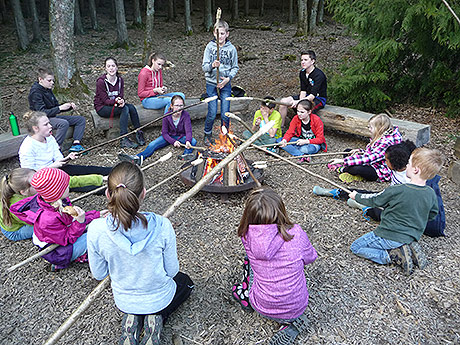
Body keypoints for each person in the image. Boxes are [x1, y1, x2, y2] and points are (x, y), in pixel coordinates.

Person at [87, 162, 194, 345]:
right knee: (185, 282)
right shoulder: (162, 225)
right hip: (158, 298)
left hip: (124, 300)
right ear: (143, 193)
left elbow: (99, 274)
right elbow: (172, 271)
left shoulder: (96, 229)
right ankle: (155, 317)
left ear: (107, 194)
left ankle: (133, 318)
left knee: (145, 298)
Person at [232, 188, 317, 345]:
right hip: (296, 308)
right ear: (281, 211)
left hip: (262, 306)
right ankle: (291, 323)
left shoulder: (246, 236)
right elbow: (311, 257)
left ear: (248, 216)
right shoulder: (296, 233)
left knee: (249, 262)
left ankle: (245, 296)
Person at [348, 148, 444, 275]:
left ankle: (392, 256)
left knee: (356, 247)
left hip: (388, 235)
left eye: (409, 163)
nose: (406, 166)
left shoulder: (398, 190)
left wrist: (357, 196)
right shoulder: (431, 194)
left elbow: (375, 200)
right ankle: (406, 246)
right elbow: (432, 214)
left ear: (416, 169)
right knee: (395, 241)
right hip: (411, 235)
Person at [10, 168, 105, 271]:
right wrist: (80, 222)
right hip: (60, 252)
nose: (69, 186)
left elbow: (71, 220)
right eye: (66, 186)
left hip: (63, 241)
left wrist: (97, 214)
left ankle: (80, 253)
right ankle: (71, 259)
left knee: (94, 227)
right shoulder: (47, 219)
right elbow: (67, 239)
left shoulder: (57, 201)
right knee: (97, 235)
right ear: (57, 192)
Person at [18, 111, 111, 192]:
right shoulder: (27, 147)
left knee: (87, 169)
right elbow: (30, 176)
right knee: (80, 184)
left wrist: (67, 158)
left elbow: (57, 156)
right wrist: (53, 166)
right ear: (35, 128)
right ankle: (109, 189)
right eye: (46, 124)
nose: (50, 126)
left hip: (57, 170)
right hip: (45, 179)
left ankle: (115, 170)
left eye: (49, 123)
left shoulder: (49, 138)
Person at [118, 95, 197, 166]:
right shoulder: (167, 116)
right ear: (172, 106)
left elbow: (188, 131)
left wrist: (187, 141)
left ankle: (185, 155)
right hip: (168, 136)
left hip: (180, 137)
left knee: (193, 141)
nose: (179, 108)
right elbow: (165, 133)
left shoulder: (185, 115)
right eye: (177, 105)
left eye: (181, 105)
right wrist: (173, 142)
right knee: (153, 144)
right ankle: (138, 157)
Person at [327, 113, 402, 183]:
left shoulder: (386, 142)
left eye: (371, 127)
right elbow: (372, 152)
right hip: (375, 162)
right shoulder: (382, 135)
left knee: (356, 169)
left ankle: (343, 169)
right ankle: (351, 170)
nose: (369, 129)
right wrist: (360, 151)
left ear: (379, 128)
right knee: (348, 152)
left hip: (381, 170)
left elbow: (370, 158)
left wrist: (343, 161)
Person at [28, 67, 86, 152]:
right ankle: (55, 148)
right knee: (63, 123)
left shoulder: (48, 89)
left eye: (53, 81)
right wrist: (59, 108)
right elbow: (41, 112)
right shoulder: (35, 92)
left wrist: (68, 106)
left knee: (80, 120)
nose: (52, 83)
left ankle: (76, 144)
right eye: (49, 80)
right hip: (40, 120)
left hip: (51, 117)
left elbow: (56, 107)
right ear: (40, 79)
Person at [94, 57, 145, 149]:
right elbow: (105, 100)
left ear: (117, 67)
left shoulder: (120, 80)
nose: (111, 68)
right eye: (108, 66)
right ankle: (123, 138)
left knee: (131, 107)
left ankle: (138, 132)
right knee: (124, 109)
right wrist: (117, 102)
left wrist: (121, 101)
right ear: (105, 68)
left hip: (115, 105)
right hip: (102, 107)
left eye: (113, 66)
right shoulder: (101, 82)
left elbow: (120, 95)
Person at [202, 20, 239, 145]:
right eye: (218, 34)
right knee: (212, 113)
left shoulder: (232, 49)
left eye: (222, 33)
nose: (220, 36)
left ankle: (225, 136)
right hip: (211, 83)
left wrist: (228, 78)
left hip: (225, 84)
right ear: (214, 33)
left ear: (227, 34)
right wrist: (212, 65)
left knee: (225, 113)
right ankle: (207, 134)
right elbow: (204, 67)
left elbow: (235, 67)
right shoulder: (210, 47)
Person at [278, 50, 327, 127]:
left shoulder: (319, 75)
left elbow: (312, 96)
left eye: (306, 60)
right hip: (306, 96)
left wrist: (299, 103)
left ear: (312, 61)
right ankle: (280, 127)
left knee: (304, 109)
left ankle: (304, 132)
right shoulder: (302, 72)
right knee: (283, 101)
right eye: (301, 60)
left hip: (318, 98)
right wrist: (300, 101)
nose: (303, 62)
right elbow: (303, 90)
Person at [0, 168, 36, 241]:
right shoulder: (20, 206)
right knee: (47, 227)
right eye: (35, 183)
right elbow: (33, 221)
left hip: (11, 221)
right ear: (23, 192)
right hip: (14, 231)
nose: (40, 182)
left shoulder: (17, 188)